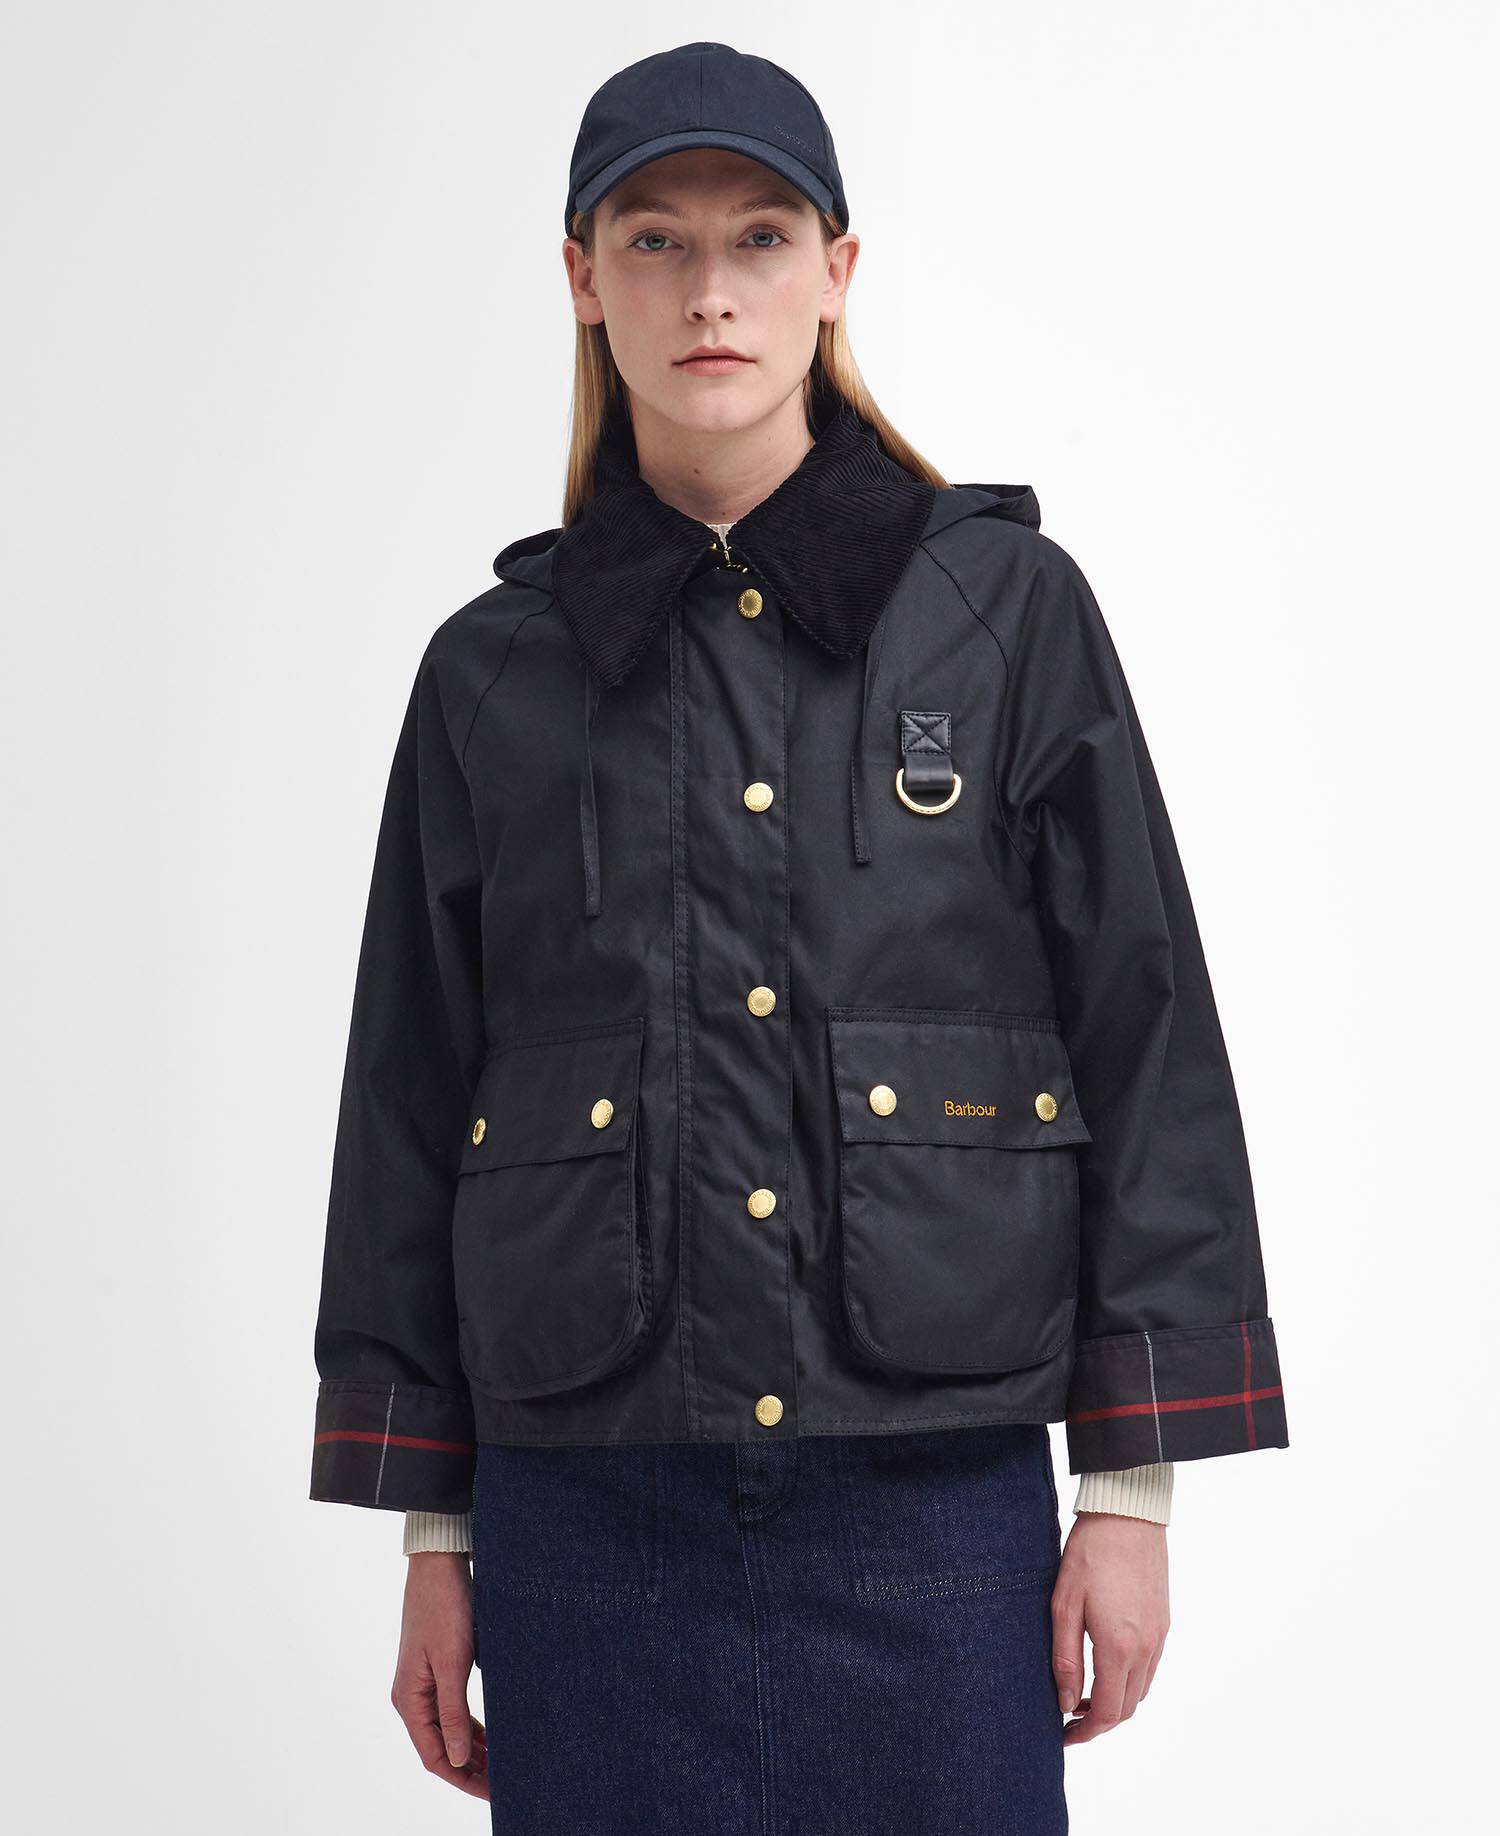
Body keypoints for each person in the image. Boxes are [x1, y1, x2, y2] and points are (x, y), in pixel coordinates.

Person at [308, 41, 1288, 1833]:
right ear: (583, 279)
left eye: (760, 238)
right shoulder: (491, 675)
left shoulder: (1003, 615)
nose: (711, 292)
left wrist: (1130, 1497)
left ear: (836, 273)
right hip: (583, 1519)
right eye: (656, 241)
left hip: (936, 1510)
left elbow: (1144, 1033)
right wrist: (435, 1533)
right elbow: (410, 1097)